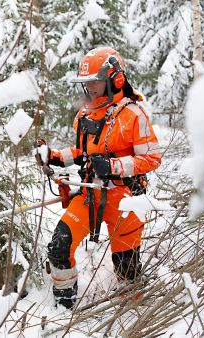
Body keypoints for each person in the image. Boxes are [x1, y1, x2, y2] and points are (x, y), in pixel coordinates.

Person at [37, 46, 162, 309]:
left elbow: (152, 158)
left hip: (125, 199)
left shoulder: (133, 115)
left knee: (127, 267)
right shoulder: (84, 115)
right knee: (59, 246)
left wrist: (114, 166)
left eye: (96, 82)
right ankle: (64, 306)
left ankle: (134, 312)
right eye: (87, 84)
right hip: (89, 195)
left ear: (115, 80)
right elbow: (83, 153)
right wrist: (55, 156)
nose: (91, 89)